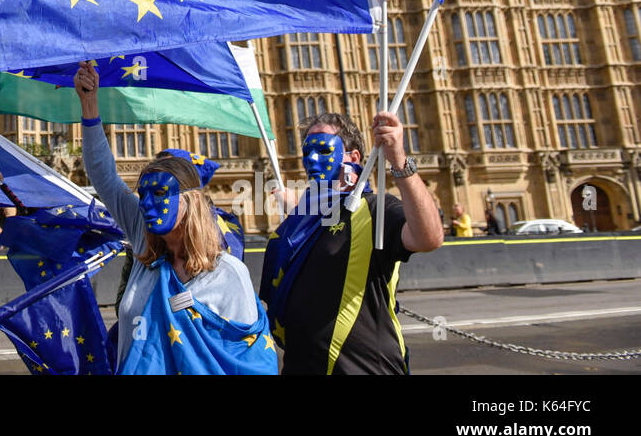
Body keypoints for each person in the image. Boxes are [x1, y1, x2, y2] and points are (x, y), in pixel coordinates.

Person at [74, 62, 276, 374]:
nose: (146, 205)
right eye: (143, 195)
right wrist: (89, 105)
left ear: (190, 201)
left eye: (159, 195)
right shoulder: (147, 250)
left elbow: (247, 361)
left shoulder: (228, 274)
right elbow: (106, 179)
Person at [260, 111, 445, 375]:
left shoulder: (373, 208)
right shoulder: (303, 219)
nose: (311, 159)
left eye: (324, 150)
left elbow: (430, 238)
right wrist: (299, 210)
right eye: (307, 151)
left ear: (353, 157)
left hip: (363, 367)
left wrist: (400, 162)